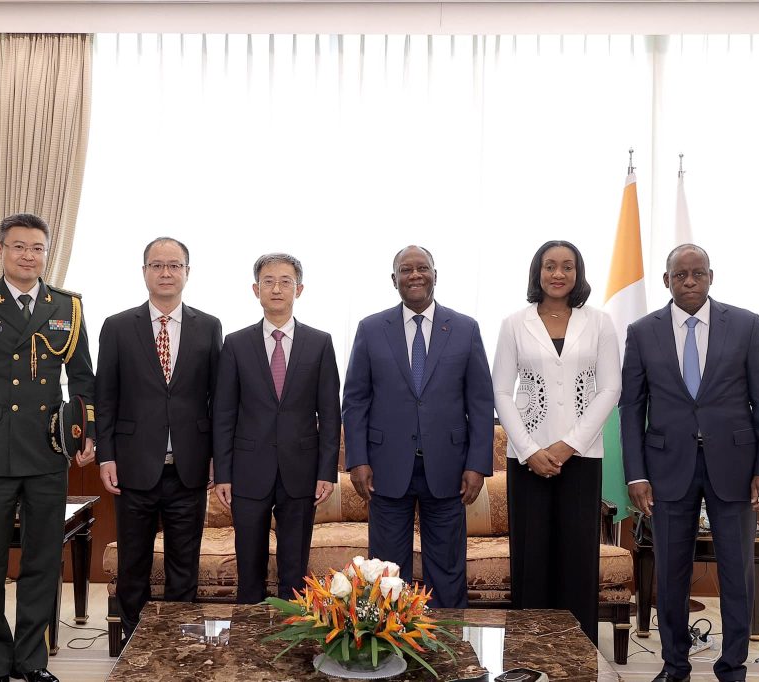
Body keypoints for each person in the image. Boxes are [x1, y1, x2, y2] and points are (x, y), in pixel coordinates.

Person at [620, 244, 759, 682]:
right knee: (671, 574)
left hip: (736, 467)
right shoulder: (642, 332)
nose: (689, 281)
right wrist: (636, 474)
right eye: (680, 275)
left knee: (737, 573)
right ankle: (675, 666)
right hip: (667, 469)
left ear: (711, 276)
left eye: (698, 273)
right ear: (666, 281)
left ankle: (733, 668)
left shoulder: (746, 325)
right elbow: (631, 410)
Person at [0, 213, 96, 682]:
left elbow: (83, 379)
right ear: (0, 250)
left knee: (42, 561)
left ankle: (32, 660)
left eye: (36, 248)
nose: (28, 256)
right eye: (18, 247)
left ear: (46, 253)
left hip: (48, 451)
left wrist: (85, 434)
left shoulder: (67, 306)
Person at [342, 244, 494, 608]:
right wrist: (357, 460)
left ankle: (447, 640)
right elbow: (355, 400)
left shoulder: (465, 328)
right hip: (386, 468)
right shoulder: (371, 329)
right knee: (386, 573)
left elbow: (480, 402)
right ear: (394, 279)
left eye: (422, 268)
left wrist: (477, 465)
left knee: (447, 570)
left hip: (448, 469)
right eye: (406, 270)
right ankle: (391, 640)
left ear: (435, 275)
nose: (415, 275)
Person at [491, 239, 620, 645]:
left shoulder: (599, 323)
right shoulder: (515, 323)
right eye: (550, 266)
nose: (558, 274)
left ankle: (578, 655)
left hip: (582, 458)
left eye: (567, 266)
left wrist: (569, 445)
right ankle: (528, 652)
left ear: (578, 274)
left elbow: (610, 389)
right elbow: (501, 391)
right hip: (527, 459)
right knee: (531, 559)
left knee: (577, 559)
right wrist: (530, 450)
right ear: (538, 272)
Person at [95, 237, 222, 641]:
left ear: (187, 272)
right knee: (133, 565)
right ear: (144, 272)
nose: (166, 273)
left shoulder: (209, 326)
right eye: (157, 265)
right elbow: (105, 398)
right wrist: (105, 456)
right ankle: (135, 644)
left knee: (184, 565)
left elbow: (218, 400)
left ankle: (177, 644)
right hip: (133, 467)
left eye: (174, 265)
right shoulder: (117, 326)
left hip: (189, 468)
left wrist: (218, 458)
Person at [212, 253, 341, 603]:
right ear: (256, 290)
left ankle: (292, 633)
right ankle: (249, 634)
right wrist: (222, 473)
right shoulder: (236, 344)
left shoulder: (320, 342)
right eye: (268, 281)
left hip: (301, 471)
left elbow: (330, 414)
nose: (277, 288)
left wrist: (326, 472)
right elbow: (223, 414)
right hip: (248, 471)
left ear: (299, 289)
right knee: (249, 569)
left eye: (286, 281)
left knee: (294, 571)